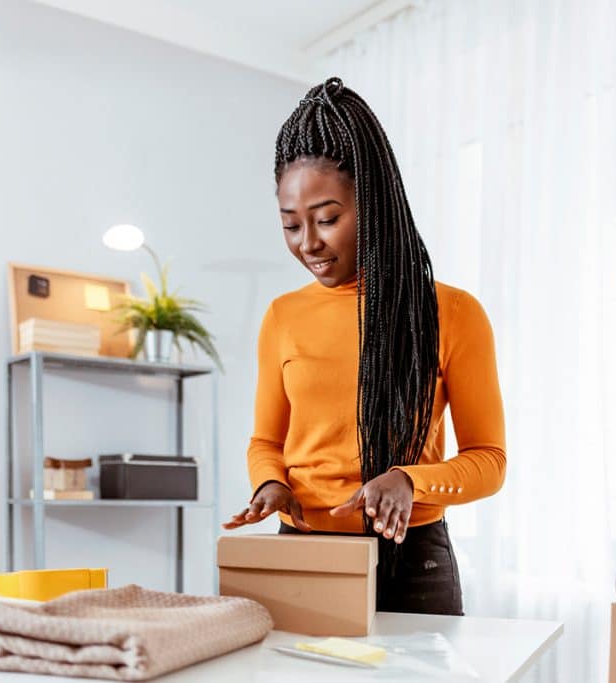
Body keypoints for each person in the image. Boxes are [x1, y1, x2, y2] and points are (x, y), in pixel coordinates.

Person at [223, 77, 506, 616]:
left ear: (373, 204)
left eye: (328, 219)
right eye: (291, 224)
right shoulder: (284, 315)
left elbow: (489, 461)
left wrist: (408, 480)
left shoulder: (452, 312)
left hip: (412, 564)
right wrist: (270, 485)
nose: (308, 243)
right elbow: (266, 440)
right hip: (304, 557)